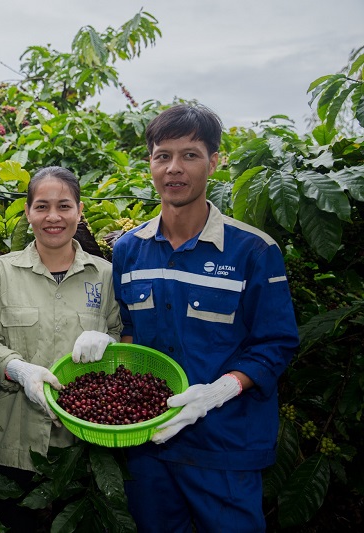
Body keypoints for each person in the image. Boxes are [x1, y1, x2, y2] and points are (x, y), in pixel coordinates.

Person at [111, 103, 300, 532]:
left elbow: (276, 343)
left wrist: (215, 393)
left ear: (214, 162)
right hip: (149, 444)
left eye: (190, 155)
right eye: (163, 156)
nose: (174, 168)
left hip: (226, 446)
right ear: (150, 164)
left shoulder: (253, 251)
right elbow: (128, 330)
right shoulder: (128, 250)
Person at [0, 166, 122, 529]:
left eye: (64, 206)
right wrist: (20, 370)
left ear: (80, 210)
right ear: (27, 213)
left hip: (82, 448)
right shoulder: (0, 271)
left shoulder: (104, 275)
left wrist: (110, 342)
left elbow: (121, 344)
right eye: (41, 207)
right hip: (17, 445)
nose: (53, 217)